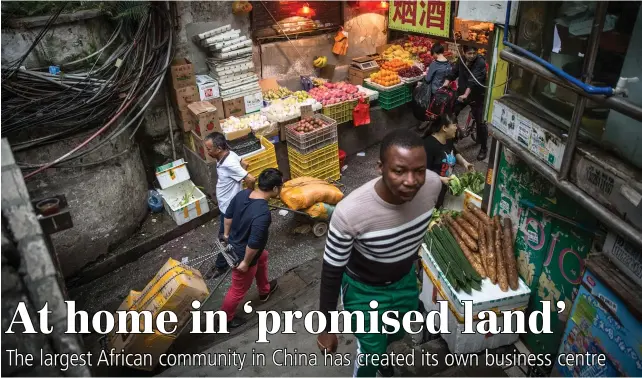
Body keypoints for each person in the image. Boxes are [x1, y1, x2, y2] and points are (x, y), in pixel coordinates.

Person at [316, 130, 442, 377]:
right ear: (380, 168)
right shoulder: (349, 213)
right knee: (370, 351)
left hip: (405, 282)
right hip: (364, 291)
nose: (411, 180)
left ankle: (383, 356)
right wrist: (326, 328)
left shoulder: (434, 185)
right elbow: (331, 273)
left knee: (396, 333)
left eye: (419, 171)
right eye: (399, 171)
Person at [219, 168, 282, 328]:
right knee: (238, 289)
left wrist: (226, 236)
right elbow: (254, 244)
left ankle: (264, 291)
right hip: (243, 254)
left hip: (235, 243)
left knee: (263, 256)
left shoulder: (243, 194)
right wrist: (246, 263)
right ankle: (225, 319)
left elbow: (228, 216)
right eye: (280, 187)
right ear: (275, 189)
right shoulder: (262, 213)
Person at [204, 132, 256, 279]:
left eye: (209, 149)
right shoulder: (228, 154)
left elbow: (250, 178)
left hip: (229, 209)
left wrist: (248, 194)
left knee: (224, 237)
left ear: (219, 148)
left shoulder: (229, 163)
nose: (207, 152)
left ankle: (221, 266)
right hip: (228, 205)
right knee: (235, 233)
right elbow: (244, 163)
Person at [443, 45, 489, 161]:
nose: (472, 56)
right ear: (464, 53)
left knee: (481, 123)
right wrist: (446, 83)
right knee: (451, 114)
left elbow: (472, 81)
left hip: (477, 96)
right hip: (462, 93)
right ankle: (453, 137)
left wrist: (466, 95)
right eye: (469, 53)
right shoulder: (461, 60)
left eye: (474, 53)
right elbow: (454, 73)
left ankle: (483, 148)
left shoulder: (480, 62)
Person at [423, 113, 474, 209]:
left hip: (443, 188)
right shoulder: (429, 145)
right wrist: (441, 179)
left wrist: (464, 163)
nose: (456, 128)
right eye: (454, 125)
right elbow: (423, 172)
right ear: (444, 128)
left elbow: (454, 152)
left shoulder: (448, 139)